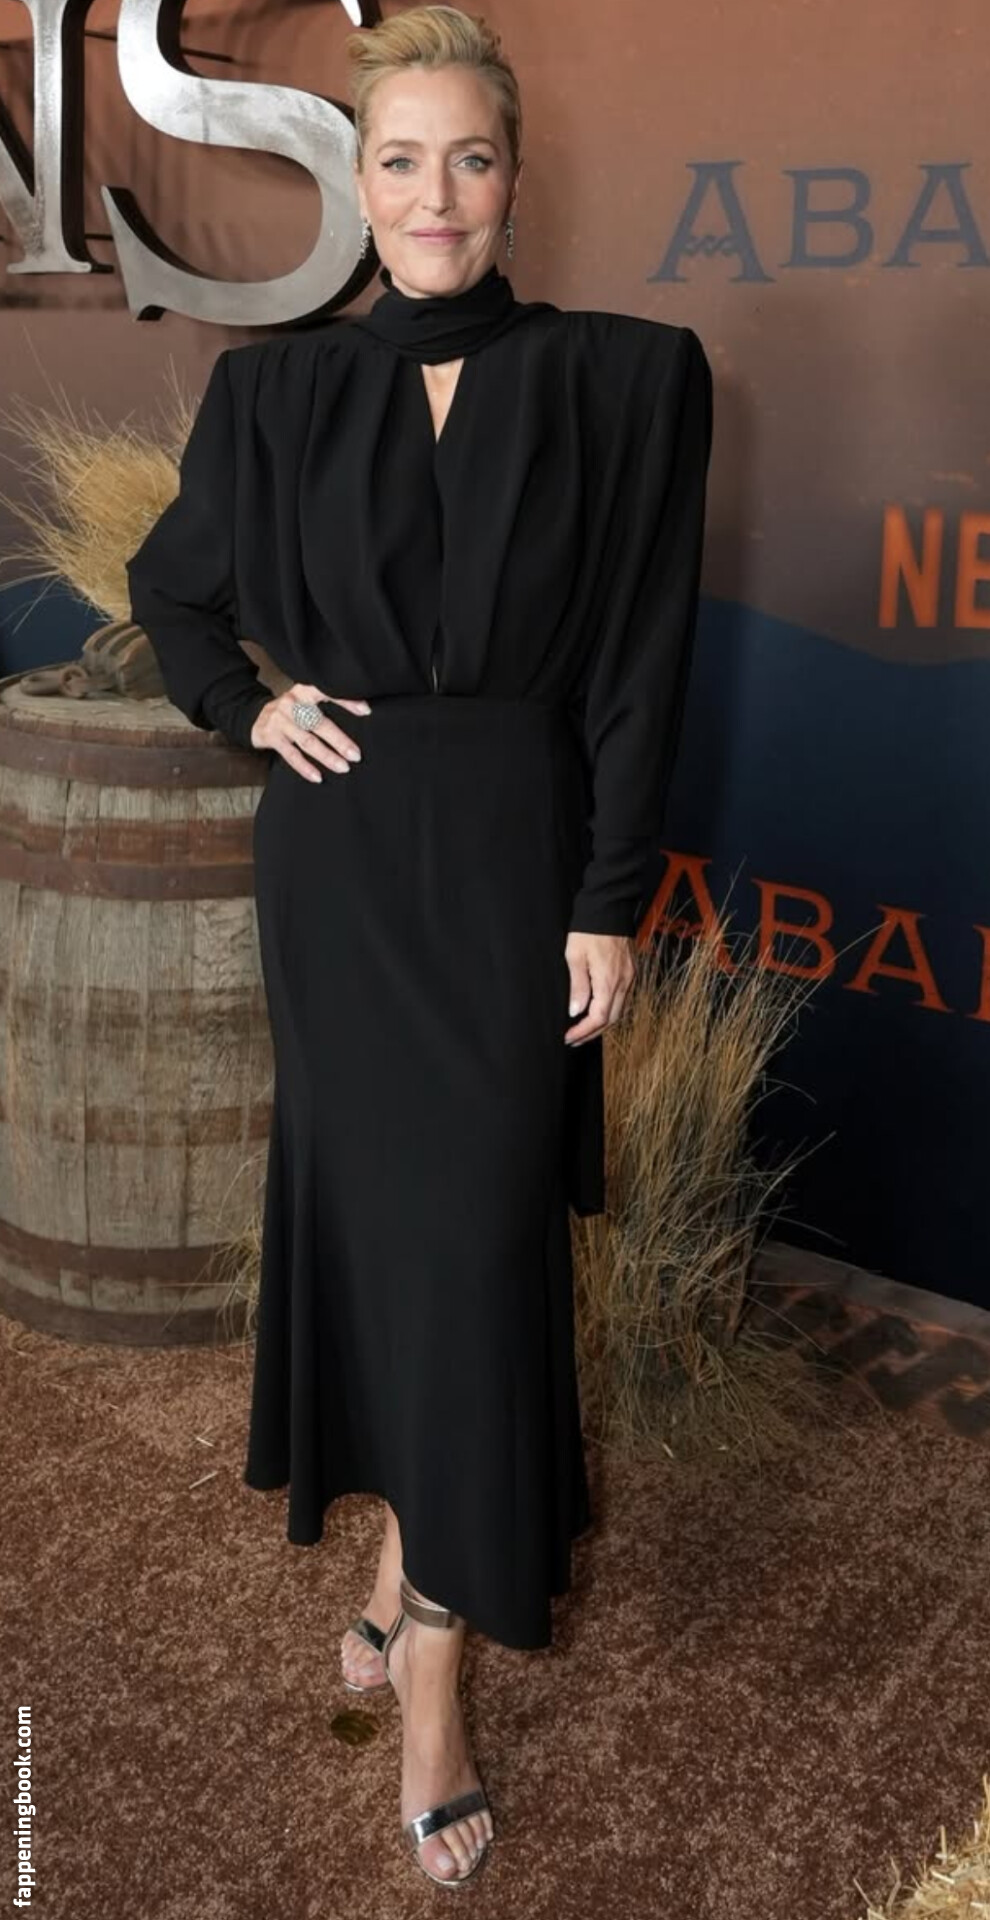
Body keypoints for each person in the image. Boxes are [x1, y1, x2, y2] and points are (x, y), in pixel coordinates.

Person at [125, 2, 713, 1890]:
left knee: (475, 1249)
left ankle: (434, 1665)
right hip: (342, 873)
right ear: (356, 186)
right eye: (399, 160)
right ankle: (409, 1572)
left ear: (514, 179)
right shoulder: (272, 395)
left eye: (468, 157)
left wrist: (607, 895)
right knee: (396, 1243)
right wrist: (249, 706)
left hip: (518, 865)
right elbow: (173, 590)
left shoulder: (629, 377)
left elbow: (637, 663)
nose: (434, 193)